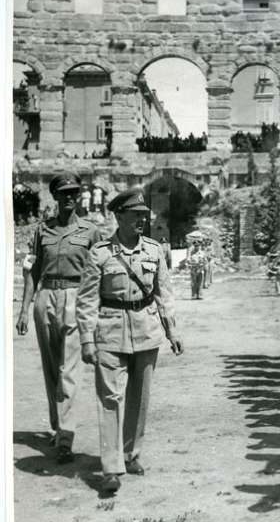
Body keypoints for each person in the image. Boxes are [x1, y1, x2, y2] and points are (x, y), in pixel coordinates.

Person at [76, 188, 183, 493]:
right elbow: (87, 300)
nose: (141, 220)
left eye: (143, 215)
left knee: (139, 397)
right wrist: (87, 339)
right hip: (109, 332)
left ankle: (130, 454)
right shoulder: (100, 253)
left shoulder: (154, 250)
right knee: (110, 399)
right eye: (135, 215)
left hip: (146, 331)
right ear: (118, 216)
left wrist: (172, 331)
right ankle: (111, 468)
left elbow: (164, 294)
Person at [15, 171, 101, 463]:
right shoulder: (43, 231)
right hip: (46, 298)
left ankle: (65, 437)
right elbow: (33, 271)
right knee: (51, 369)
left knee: (69, 371)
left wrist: (98, 308)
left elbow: (99, 272)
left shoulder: (91, 231)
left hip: (77, 299)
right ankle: (57, 426)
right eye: (64, 193)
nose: (69, 197)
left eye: (73, 192)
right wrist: (24, 309)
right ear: (55, 196)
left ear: (79, 196)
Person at [186, 233, 206, 300]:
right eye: (195, 246)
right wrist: (190, 265)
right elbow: (188, 261)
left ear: (200, 246)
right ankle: (194, 295)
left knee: (200, 283)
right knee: (194, 283)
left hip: (200, 270)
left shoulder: (202, 253)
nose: (197, 247)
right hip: (193, 270)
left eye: (198, 246)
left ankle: (200, 295)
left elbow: (205, 261)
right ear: (194, 246)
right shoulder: (191, 253)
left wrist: (202, 265)